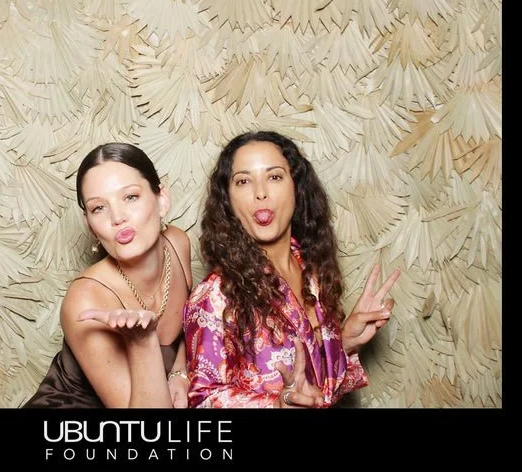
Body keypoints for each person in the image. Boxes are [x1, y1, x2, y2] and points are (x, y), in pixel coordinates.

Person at [183, 131, 400, 408]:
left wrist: (345, 343)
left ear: (296, 187)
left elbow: (321, 391)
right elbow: (202, 402)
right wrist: (277, 405)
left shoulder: (311, 272)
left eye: (274, 177)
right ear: (228, 201)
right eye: (243, 181)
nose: (260, 192)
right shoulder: (214, 295)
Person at [23, 142, 193, 408]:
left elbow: (185, 324)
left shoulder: (178, 244)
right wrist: (142, 342)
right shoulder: (85, 299)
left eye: (130, 197)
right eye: (98, 208)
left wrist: (179, 372)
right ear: (90, 226)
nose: (117, 217)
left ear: (162, 200)